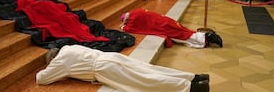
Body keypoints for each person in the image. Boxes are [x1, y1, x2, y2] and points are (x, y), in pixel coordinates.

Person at [36, 44, 210, 92]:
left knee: (145, 82)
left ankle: (191, 87)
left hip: (103, 68)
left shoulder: (59, 61)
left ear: (53, 58)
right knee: (150, 70)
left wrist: (54, 69)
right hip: (110, 57)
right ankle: (194, 77)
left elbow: (41, 79)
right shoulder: (70, 47)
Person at [120, 8, 223, 48]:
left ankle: (205, 38)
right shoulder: (136, 11)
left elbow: (130, 29)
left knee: (181, 36)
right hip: (165, 20)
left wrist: (124, 27)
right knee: (183, 30)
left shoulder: (133, 19)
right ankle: (204, 37)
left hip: (162, 27)